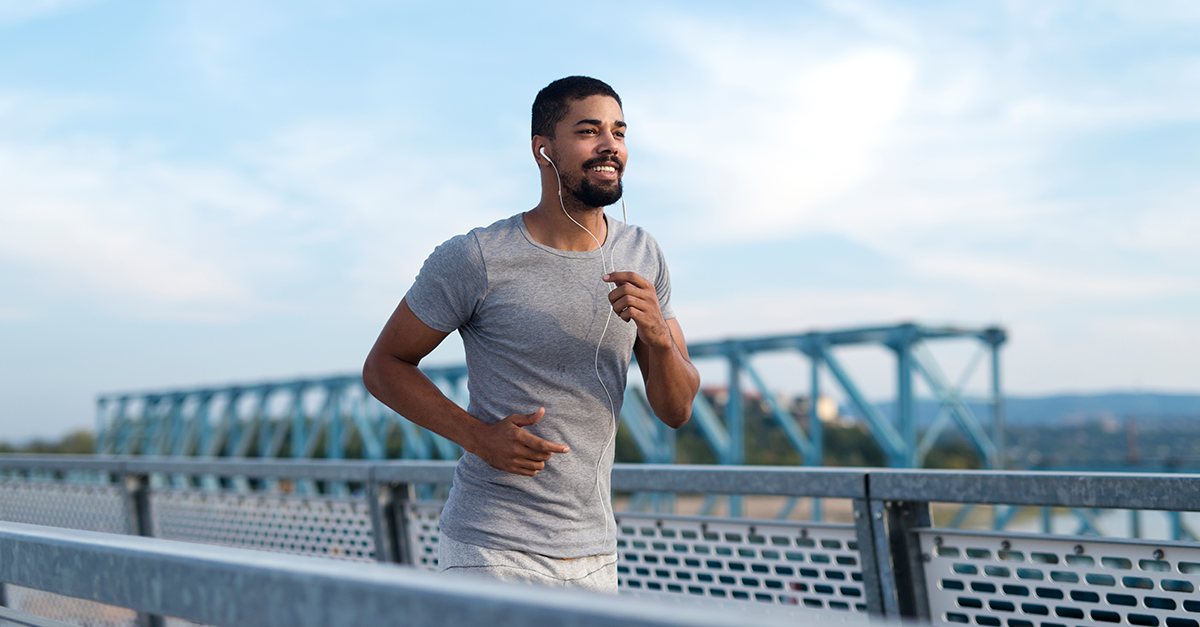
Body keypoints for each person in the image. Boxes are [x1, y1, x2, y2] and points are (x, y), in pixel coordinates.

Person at [362, 76, 700, 594]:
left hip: (594, 555)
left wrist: (656, 336)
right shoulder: (477, 256)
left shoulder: (643, 254)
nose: (611, 145)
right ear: (544, 149)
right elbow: (384, 365)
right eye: (590, 131)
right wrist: (477, 436)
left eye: (619, 131)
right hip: (490, 547)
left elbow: (677, 411)